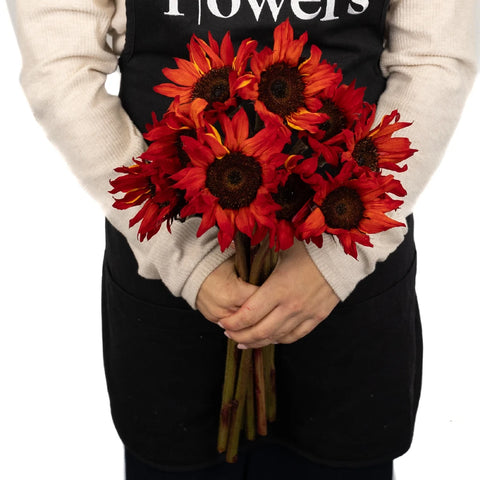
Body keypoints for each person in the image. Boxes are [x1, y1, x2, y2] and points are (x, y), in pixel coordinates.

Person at [9, 0, 477, 479]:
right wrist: (187, 259)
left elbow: (434, 60)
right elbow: (61, 69)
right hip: (169, 280)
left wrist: (334, 260)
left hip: (346, 284)